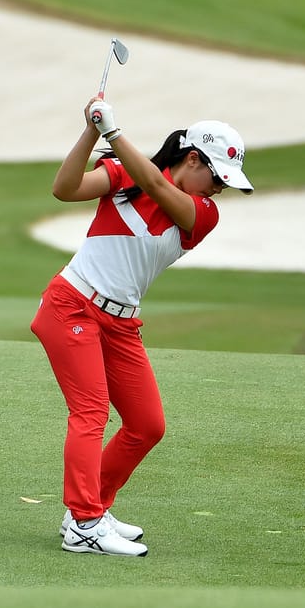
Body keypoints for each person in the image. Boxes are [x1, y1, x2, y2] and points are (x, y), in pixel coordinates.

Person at [30, 96, 253, 556]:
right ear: (193, 159)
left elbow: (153, 179)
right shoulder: (121, 175)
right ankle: (85, 523)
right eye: (217, 178)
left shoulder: (201, 214)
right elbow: (64, 188)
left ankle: (92, 509)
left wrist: (113, 133)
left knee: (147, 425)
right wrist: (91, 131)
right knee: (91, 413)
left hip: (120, 324)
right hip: (71, 305)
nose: (218, 191)